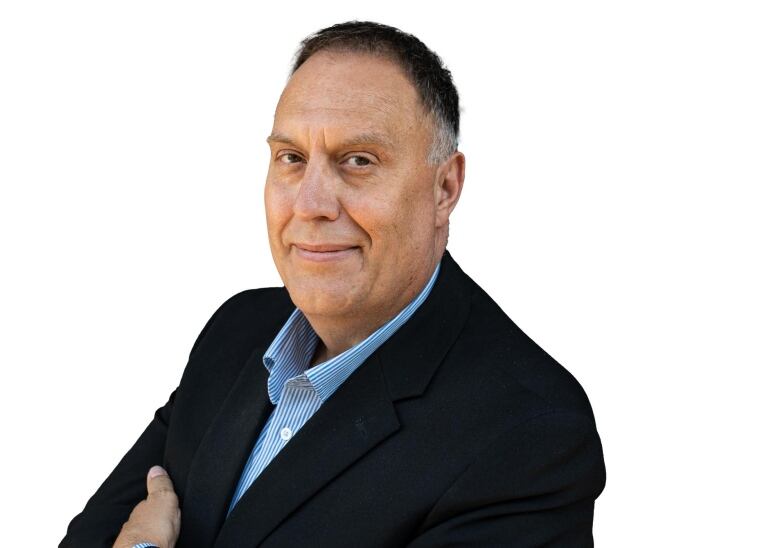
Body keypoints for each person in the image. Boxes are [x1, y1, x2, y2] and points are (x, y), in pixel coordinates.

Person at [60, 20, 606, 548]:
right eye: (292, 158)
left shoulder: (529, 431)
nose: (310, 204)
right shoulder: (236, 331)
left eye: (359, 161)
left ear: (445, 187)